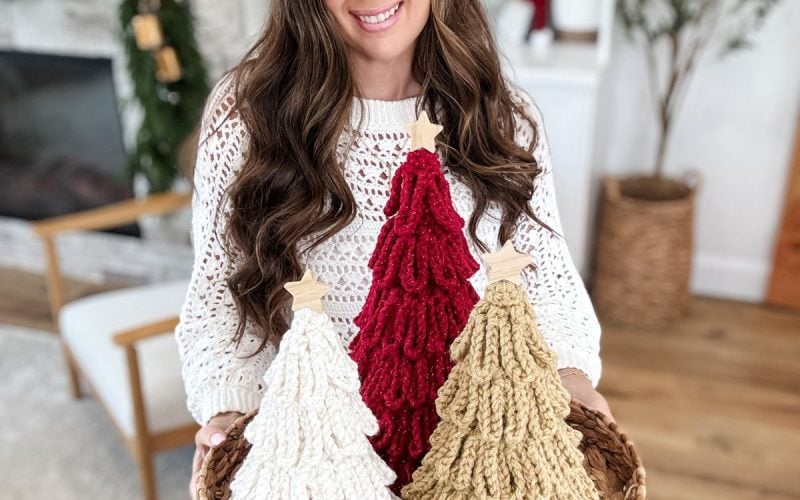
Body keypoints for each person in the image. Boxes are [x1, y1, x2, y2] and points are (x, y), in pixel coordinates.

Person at [177, 0, 614, 497]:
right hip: (316, 465)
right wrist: (231, 409)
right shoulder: (245, 112)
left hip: (473, 458)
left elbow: (547, 281)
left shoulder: (500, 115)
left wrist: (572, 377)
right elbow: (219, 296)